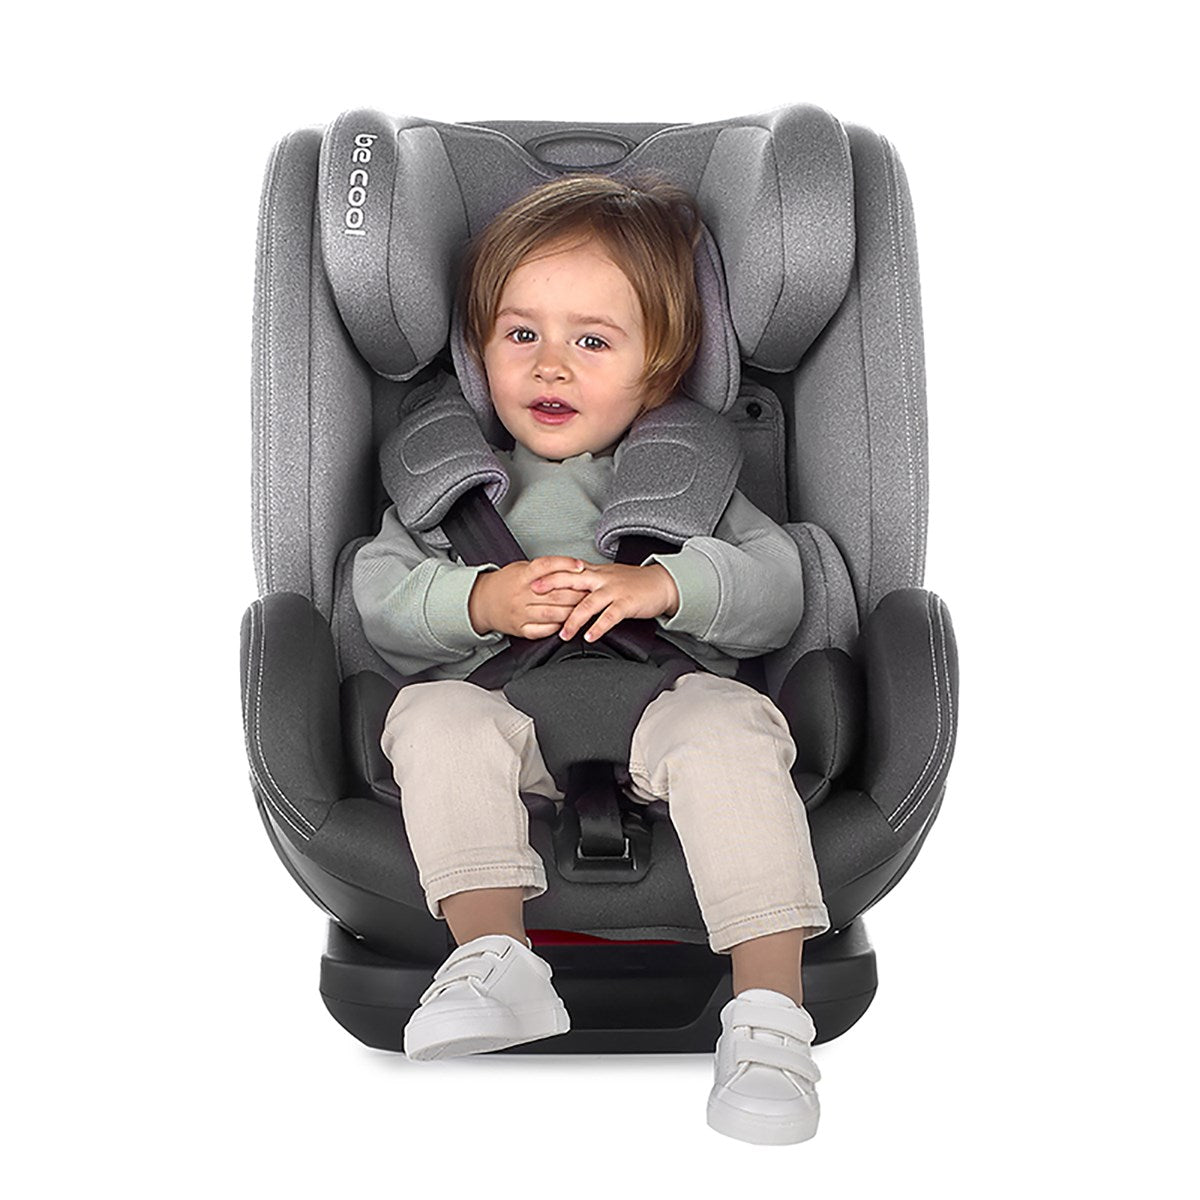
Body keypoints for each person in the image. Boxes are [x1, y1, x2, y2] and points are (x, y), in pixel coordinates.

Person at [352, 172, 830, 1145]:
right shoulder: (455, 490)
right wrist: (479, 596)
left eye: (592, 341)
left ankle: (771, 1016)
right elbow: (378, 599)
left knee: (734, 728)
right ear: (479, 352)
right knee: (429, 718)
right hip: (503, 720)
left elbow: (780, 587)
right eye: (520, 335)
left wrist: (670, 586)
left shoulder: (687, 483)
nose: (550, 368)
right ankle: (495, 958)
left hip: (669, 702)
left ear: (659, 371)